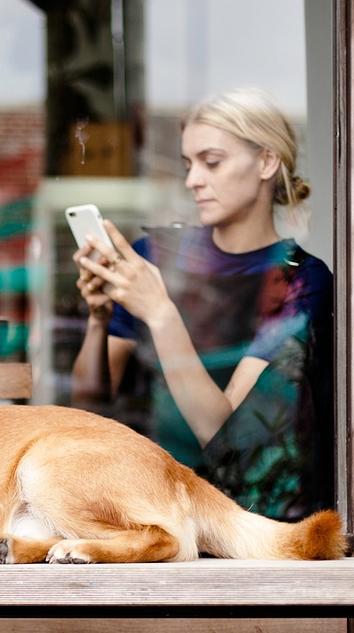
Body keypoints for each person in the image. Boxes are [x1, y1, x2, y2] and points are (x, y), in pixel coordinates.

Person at [71, 88, 333, 519]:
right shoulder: (154, 257)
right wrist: (99, 320)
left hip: (252, 518)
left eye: (211, 162)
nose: (193, 180)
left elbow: (224, 434)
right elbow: (88, 405)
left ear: (267, 162)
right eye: (188, 165)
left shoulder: (299, 281)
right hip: (151, 506)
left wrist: (159, 313)